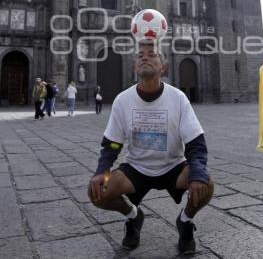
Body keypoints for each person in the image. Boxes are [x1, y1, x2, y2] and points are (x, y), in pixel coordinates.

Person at [88, 42, 214, 254]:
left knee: (206, 183)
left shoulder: (178, 98)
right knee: (97, 193)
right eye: (140, 56)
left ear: (163, 66)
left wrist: (198, 173)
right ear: (134, 67)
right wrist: (102, 171)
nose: (144, 58)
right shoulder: (123, 100)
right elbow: (112, 144)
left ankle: (185, 221)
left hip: (173, 166)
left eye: (152, 55)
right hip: (136, 168)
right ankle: (133, 216)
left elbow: (196, 144)